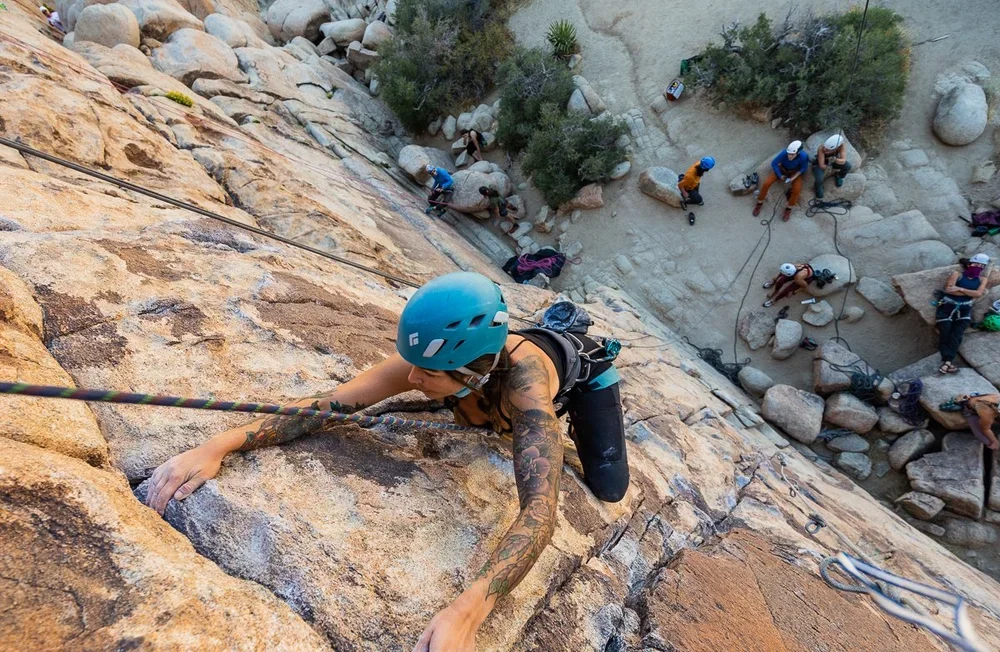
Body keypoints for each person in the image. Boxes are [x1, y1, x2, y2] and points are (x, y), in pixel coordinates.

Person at [144, 272, 629, 651]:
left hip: (585, 377)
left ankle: (567, 342)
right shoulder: (437, 364)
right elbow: (330, 405)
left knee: (609, 486)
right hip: (487, 368)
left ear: (473, 371)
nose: (411, 378)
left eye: (429, 372)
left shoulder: (529, 394)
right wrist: (218, 446)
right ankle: (546, 330)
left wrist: (467, 613)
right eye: (413, 364)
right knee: (474, 416)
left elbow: (539, 513)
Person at [937, 254, 990, 374]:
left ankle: (947, 362)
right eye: (976, 264)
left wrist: (960, 289)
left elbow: (978, 294)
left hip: (965, 309)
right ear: (969, 264)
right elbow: (949, 290)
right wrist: (970, 292)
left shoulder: (982, 279)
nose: (978, 267)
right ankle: (948, 362)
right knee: (945, 332)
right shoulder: (957, 274)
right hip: (947, 307)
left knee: (957, 334)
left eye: (981, 265)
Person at [752, 140, 809, 222]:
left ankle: (788, 209)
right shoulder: (784, 153)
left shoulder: (803, 156)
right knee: (766, 183)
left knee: (797, 189)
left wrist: (793, 178)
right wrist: (779, 175)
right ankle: (759, 203)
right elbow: (774, 163)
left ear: (798, 153)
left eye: (792, 154)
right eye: (789, 154)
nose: (789, 156)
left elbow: (803, 168)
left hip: (794, 172)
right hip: (782, 169)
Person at [814, 134, 852, 199]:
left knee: (848, 166)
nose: (825, 149)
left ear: (836, 148)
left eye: (828, 150)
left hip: (833, 161)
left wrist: (835, 160)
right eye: (825, 147)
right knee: (819, 178)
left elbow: (843, 160)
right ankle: (818, 186)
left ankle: (839, 176)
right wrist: (829, 168)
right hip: (821, 162)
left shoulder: (841, 146)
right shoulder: (821, 148)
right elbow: (821, 165)